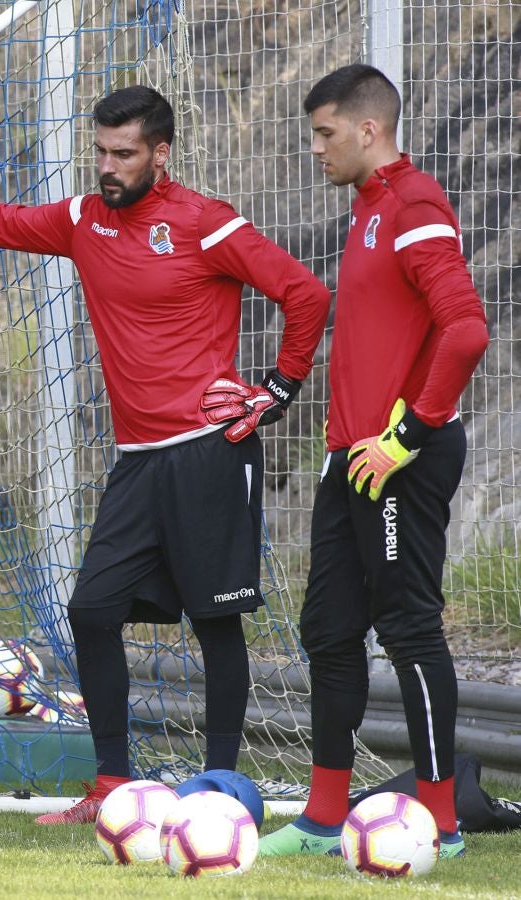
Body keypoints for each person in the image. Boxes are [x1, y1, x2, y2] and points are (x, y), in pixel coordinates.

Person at [0, 84, 331, 825]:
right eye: (101, 152)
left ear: (161, 154)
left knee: (216, 626)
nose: (108, 167)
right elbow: (3, 223)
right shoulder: (86, 218)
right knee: (91, 610)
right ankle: (112, 786)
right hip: (137, 461)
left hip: (209, 452)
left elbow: (305, 293)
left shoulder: (205, 223)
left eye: (124, 154)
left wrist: (277, 389)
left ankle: (217, 790)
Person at [259, 64, 488, 859]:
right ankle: (324, 817)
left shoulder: (415, 204)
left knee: (410, 631)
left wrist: (405, 439)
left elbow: (466, 330)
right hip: (350, 458)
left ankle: (442, 824)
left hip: (400, 458)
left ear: (369, 129)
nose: (316, 149)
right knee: (326, 631)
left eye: (325, 135)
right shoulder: (368, 210)